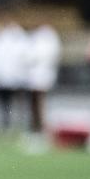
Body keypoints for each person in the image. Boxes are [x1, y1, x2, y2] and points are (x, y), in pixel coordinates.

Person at [24, 22, 61, 153]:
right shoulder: (36, 37)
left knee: (40, 106)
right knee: (35, 106)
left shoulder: (48, 37)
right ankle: (36, 132)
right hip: (34, 77)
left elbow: (45, 56)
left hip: (42, 77)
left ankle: (41, 133)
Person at [0, 16, 30, 130]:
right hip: (1, 77)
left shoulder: (19, 36)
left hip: (16, 78)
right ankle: (3, 125)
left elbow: (23, 56)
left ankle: (19, 125)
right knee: (2, 103)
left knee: (17, 103)